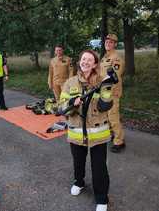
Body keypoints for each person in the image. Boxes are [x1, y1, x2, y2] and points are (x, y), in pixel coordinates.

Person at [60, 50, 114, 211]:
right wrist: (71, 103)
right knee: (78, 162)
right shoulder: (70, 82)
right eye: (84, 59)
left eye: (90, 60)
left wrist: (105, 90)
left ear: (95, 64)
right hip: (76, 132)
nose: (86, 62)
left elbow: (105, 106)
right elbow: (61, 107)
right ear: (79, 61)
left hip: (98, 133)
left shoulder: (103, 81)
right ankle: (79, 182)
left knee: (99, 168)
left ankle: (102, 198)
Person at [100, 34, 125, 153]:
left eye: (111, 42)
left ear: (115, 44)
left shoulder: (117, 58)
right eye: (106, 42)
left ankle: (119, 141)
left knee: (113, 117)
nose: (107, 44)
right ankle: (112, 134)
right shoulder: (105, 57)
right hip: (104, 91)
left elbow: (114, 76)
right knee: (106, 116)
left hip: (112, 92)